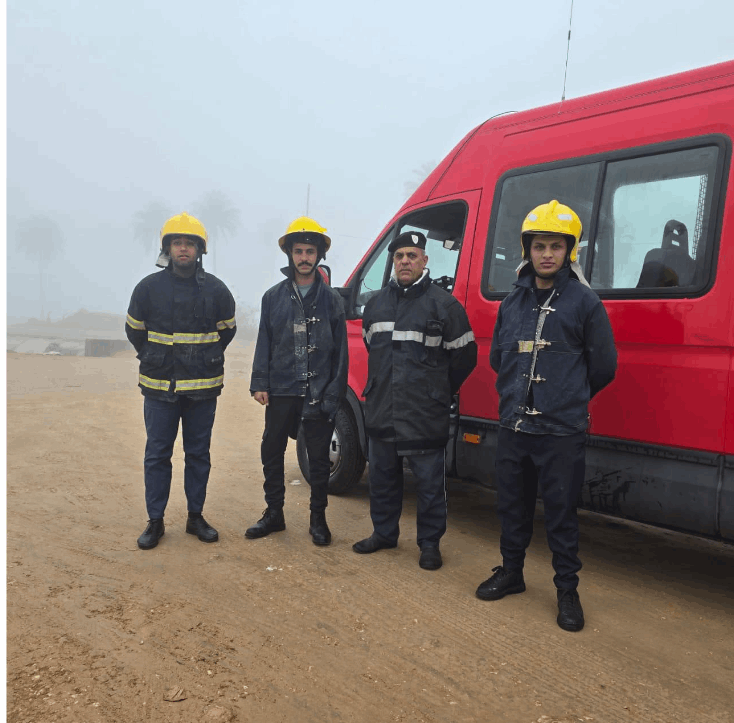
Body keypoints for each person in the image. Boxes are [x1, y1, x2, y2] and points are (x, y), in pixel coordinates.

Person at [475, 199, 617, 632]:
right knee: (511, 507)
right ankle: (511, 572)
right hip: (514, 425)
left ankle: (567, 590)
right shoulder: (512, 302)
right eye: (539, 246)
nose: (547, 254)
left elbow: (604, 366)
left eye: (556, 246)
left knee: (561, 514)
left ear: (570, 250)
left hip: (561, 432)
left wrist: (568, 396)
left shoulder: (585, 302)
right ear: (528, 250)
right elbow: (500, 358)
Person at [353, 230, 477, 570]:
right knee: (382, 479)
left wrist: (437, 389)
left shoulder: (444, 305)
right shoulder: (376, 305)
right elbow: (372, 347)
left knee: (429, 485)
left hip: (424, 413)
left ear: (424, 260)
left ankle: (430, 544)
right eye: (399, 256)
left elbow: (465, 356)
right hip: (382, 408)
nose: (405, 261)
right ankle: (383, 534)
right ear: (393, 262)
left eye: (412, 255)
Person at [126, 212, 237, 550]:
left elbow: (227, 331)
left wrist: (202, 358)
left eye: (190, 243)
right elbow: (134, 330)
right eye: (178, 243)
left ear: (200, 250)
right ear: (168, 248)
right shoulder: (148, 288)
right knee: (157, 454)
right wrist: (155, 357)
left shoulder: (217, 290)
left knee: (198, 454)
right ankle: (155, 521)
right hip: (160, 388)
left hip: (202, 390)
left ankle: (195, 517)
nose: (184, 248)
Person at [247, 217, 348, 546]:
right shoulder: (272, 297)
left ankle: (318, 519)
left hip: (318, 390)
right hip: (281, 388)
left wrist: (333, 393)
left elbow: (341, 354)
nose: (304, 258)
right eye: (299, 251)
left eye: (310, 251)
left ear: (319, 255)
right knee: (271, 450)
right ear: (289, 254)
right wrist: (260, 382)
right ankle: (274, 513)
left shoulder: (332, 300)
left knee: (318, 459)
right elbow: (264, 340)